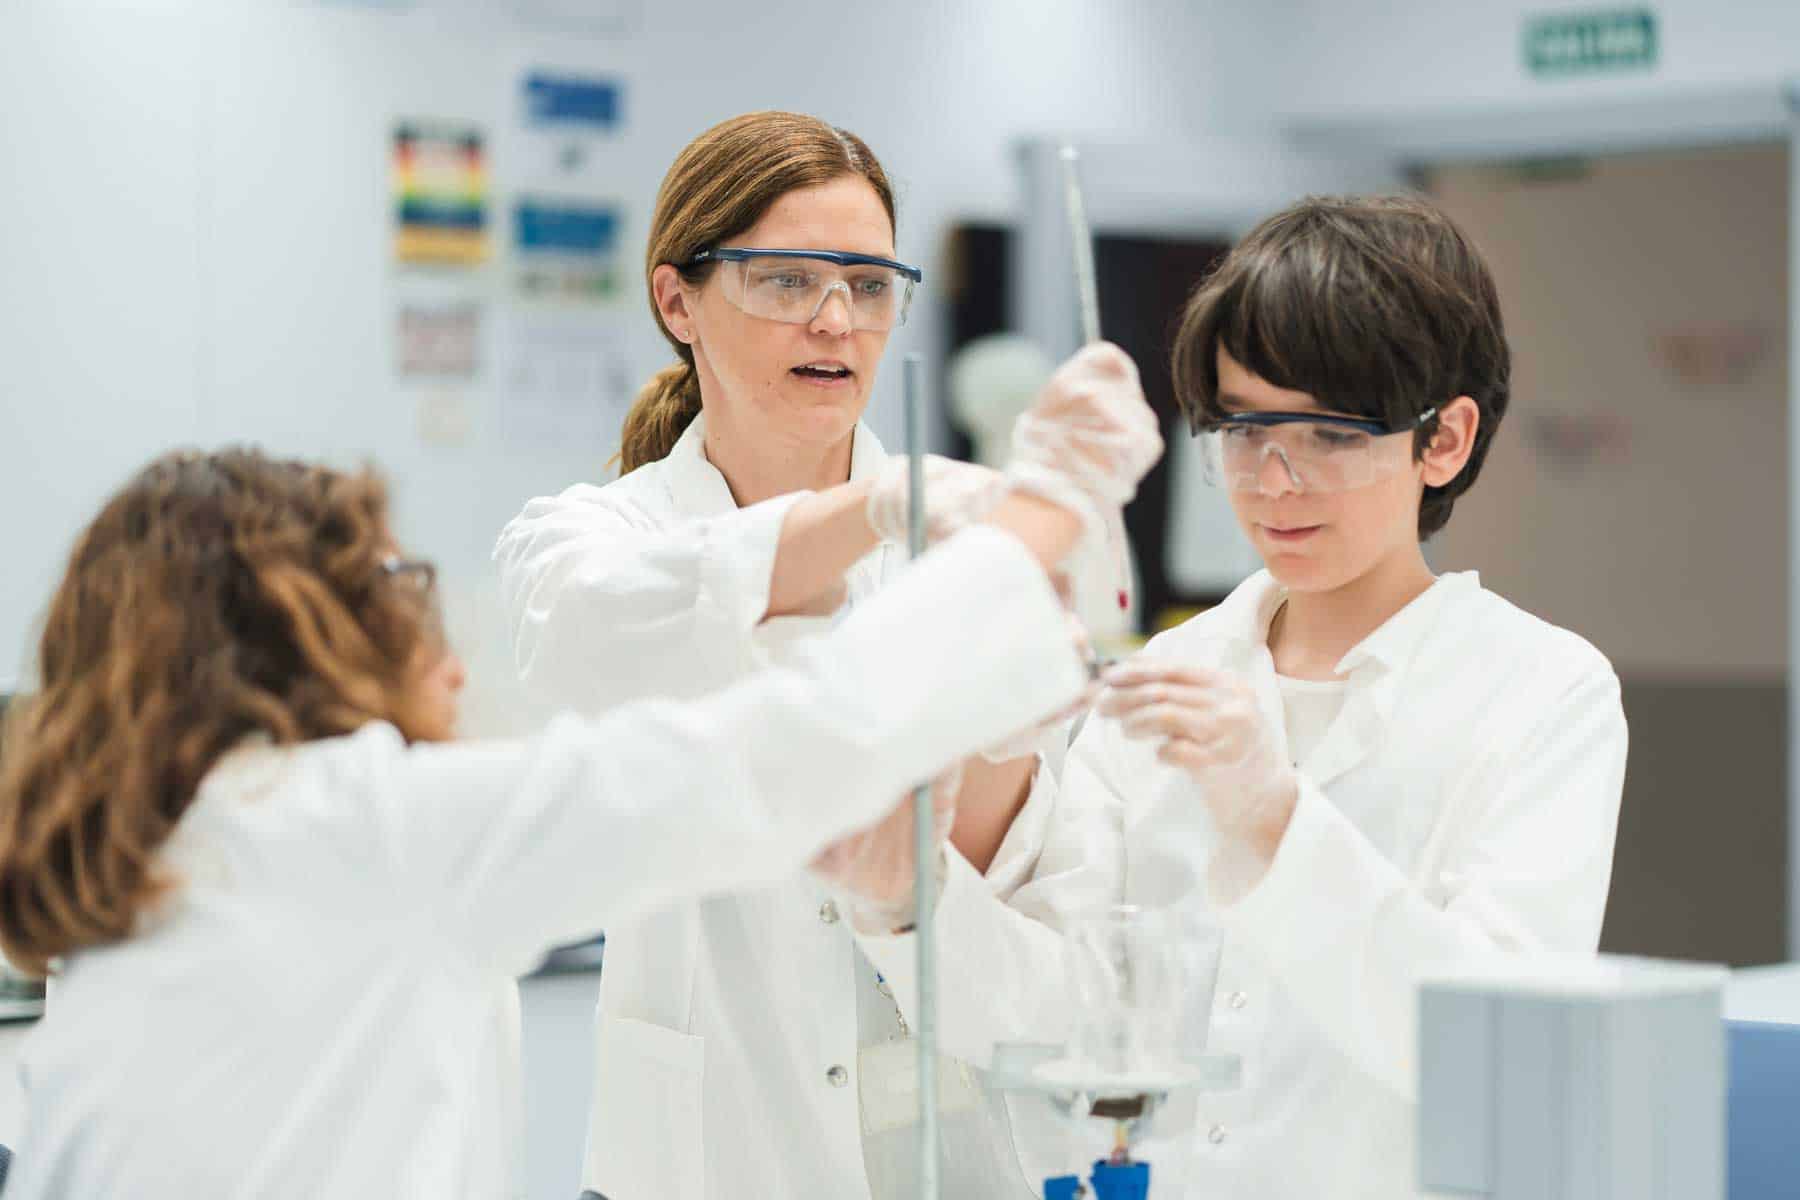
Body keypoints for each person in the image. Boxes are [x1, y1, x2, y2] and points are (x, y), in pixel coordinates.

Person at [0, 438, 1113, 1199]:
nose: (432, 629)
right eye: (394, 585)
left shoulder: (131, 848)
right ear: (307, 632)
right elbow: (768, 754)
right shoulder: (368, 827)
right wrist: (1027, 529)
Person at [855, 195, 1630, 1198]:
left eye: (1328, 435)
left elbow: (1494, 1055)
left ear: (1442, 440)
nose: (1273, 480)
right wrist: (905, 897)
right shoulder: (1169, 680)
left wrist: (1276, 821)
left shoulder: (1543, 692)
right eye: (1242, 427)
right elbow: (1061, 1021)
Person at [493, 110, 1160, 1200]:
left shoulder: (982, 543)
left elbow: (1028, 894)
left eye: (868, 283)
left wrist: (1007, 640)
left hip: (953, 1152)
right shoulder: (589, 542)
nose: (837, 321)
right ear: (678, 301)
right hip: (711, 1157)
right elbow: (597, 643)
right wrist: (883, 513)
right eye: (787, 281)